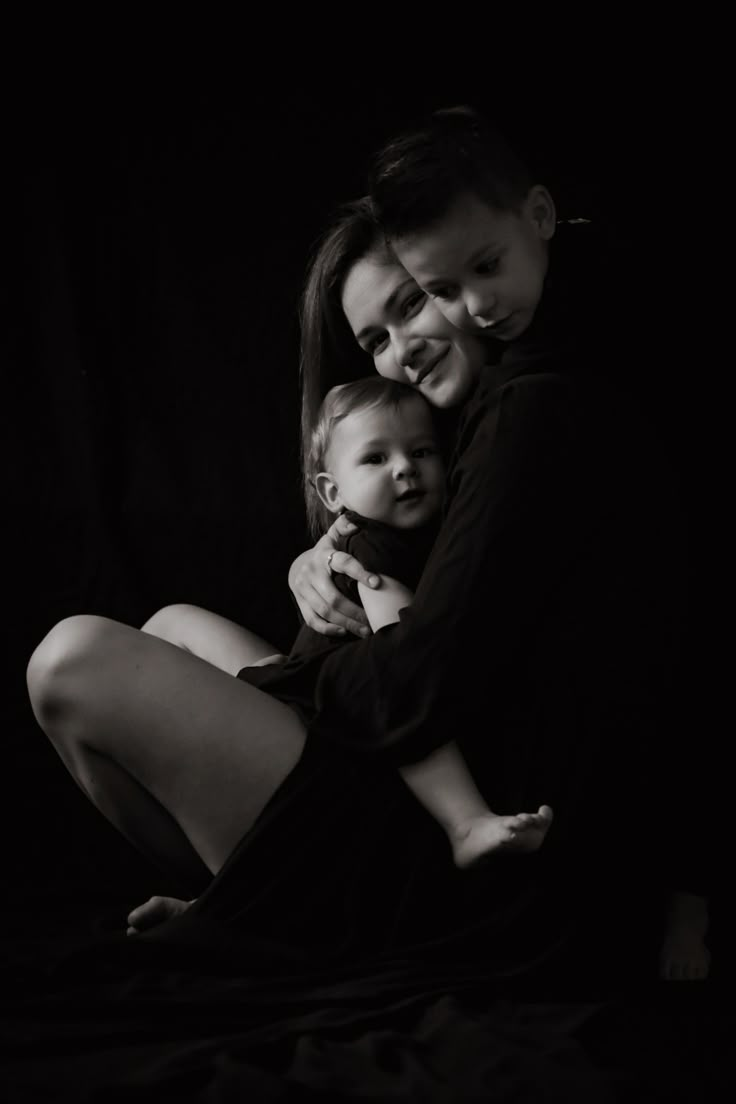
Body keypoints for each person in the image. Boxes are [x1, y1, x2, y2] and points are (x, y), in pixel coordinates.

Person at [289, 109, 710, 980]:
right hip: (430, 803)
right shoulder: (438, 459)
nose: (407, 347)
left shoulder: (533, 409)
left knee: (79, 662)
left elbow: (430, 673)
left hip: (503, 848)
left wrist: (300, 681)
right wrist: (323, 558)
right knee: (154, 633)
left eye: (415, 303)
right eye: (376, 340)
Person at [238, 374, 554, 867]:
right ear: (331, 491)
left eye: (423, 451)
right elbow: (405, 675)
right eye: (376, 458)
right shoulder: (369, 550)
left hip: (329, 710)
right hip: (329, 725)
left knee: (174, 624)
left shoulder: (419, 537)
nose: (406, 469)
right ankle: (464, 822)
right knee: (396, 681)